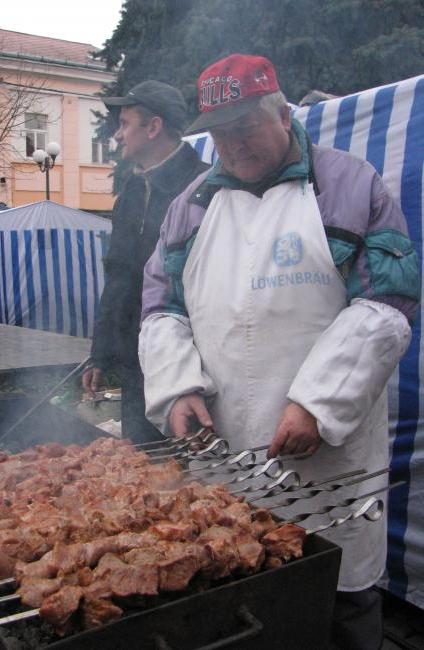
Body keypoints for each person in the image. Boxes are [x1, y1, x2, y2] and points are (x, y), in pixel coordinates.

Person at [139, 54, 420, 649]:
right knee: (236, 602)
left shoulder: (349, 184)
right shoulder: (188, 207)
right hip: (223, 452)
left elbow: (389, 304)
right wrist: (177, 388)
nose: (233, 146)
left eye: (245, 127)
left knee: (337, 602)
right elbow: (163, 308)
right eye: (219, 132)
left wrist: (318, 403)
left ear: (281, 112)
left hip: (328, 464)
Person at [82, 80, 209, 443]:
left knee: (191, 477)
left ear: (153, 128)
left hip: (193, 367)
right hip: (135, 362)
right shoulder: (130, 196)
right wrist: (101, 355)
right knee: (140, 471)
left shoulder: (203, 186)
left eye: (125, 124)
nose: (118, 135)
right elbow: (118, 277)